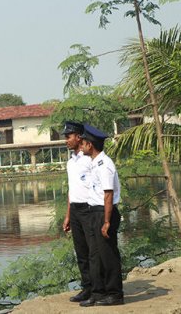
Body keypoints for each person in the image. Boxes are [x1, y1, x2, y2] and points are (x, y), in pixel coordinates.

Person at [78, 124, 124, 307]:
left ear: (90, 145)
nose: (81, 145)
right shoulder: (95, 163)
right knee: (95, 255)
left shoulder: (105, 165)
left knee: (108, 255)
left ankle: (115, 293)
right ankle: (98, 292)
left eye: (83, 142)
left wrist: (106, 221)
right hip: (94, 211)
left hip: (104, 213)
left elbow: (108, 194)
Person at [61, 121, 93, 302]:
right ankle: (86, 287)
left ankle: (98, 287)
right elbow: (71, 190)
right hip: (75, 210)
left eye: (68, 137)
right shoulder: (70, 163)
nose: (66, 140)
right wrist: (67, 216)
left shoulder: (89, 159)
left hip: (89, 209)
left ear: (78, 137)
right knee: (80, 252)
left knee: (93, 251)